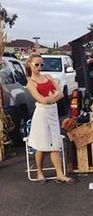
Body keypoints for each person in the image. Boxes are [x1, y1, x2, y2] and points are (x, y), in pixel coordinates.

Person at [25, 54, 76, 184]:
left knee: (55, 142)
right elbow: (41, 99)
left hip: (53, 111)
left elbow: (61, 93)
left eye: (41, 64)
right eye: (36, 64)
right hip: (41, 112)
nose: (39, 67)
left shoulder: (48, 77)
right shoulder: (31, 83)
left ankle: (60, 174)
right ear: (30, 64)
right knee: (41, 144)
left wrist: (50, 98)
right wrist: (52, 97)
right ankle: (39, 173)